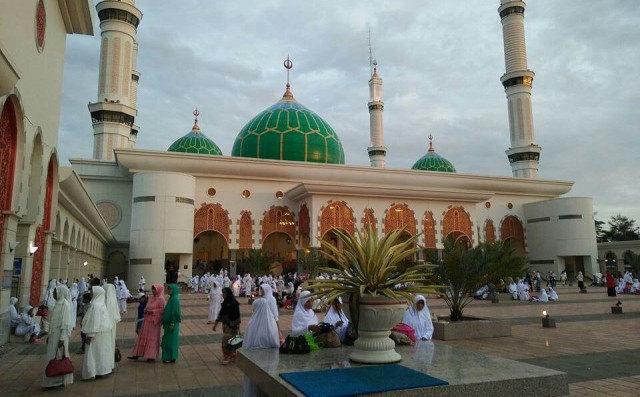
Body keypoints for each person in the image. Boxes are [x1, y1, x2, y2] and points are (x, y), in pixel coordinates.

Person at [42, 284, 75, 388]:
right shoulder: (58, 304)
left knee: (60, 357)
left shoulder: (66, 305)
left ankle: (60, 380)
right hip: (54, 335)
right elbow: (54, 322)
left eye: (56, 292)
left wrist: (61, 338)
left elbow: (65, 324)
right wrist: (50, 334)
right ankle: (53, 379)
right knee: (53, 356)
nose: (54, 294)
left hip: (60, 336)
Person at [82, 286, 113, 380]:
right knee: (101, 353)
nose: (90, 292)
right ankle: (101, 371)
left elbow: (94, 321)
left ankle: (92, 372)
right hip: (102, 333)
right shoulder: (101, 303)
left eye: (92, 291)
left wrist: (90, 335)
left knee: (93, 353)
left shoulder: (95, 305)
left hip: (96, 333)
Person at [129, 285, 166, 361]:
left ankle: (151, 356)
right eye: (152, 289)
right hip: (147, 321)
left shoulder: (161, 299)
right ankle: (137, 353)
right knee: (142, 337)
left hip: (154, 322)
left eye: (154, 290)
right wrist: (146, 310)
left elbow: (162, 310)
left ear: (158, 290)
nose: (153, 291)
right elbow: (147, 306)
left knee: (152, 339)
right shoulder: (151, 298)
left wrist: (152, 311)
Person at [212, 287, 241, 365]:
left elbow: (237, 316)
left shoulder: (234, 303)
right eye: (223, 293)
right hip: (225, 326)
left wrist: (237, 326)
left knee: (227, 341)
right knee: (229, 341)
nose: (223, 295)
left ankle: (227, 357)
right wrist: (215, 325)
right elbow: (221, 314)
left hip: (233, 326)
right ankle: (231, 356)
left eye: (224, 293)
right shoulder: (225, 303)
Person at [161, 284, 181, 363]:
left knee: (171, 341)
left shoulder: (175, 300)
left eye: (170, 289)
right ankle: (169, 356)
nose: (168, 291)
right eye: (168, 289)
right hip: (168, 323)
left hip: (172, 323)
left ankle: (171, 357)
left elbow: (175, 312)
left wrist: (172, 323)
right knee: (168, 339)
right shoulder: (171, 298)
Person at [104, 283, 121, 371]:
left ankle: (107, 364)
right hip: (112, 326)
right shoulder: (113, 300)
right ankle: (110, 364)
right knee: (110, 343)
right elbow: (116, 317)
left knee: (106, 345)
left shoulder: (106, 300)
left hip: (105, 326)